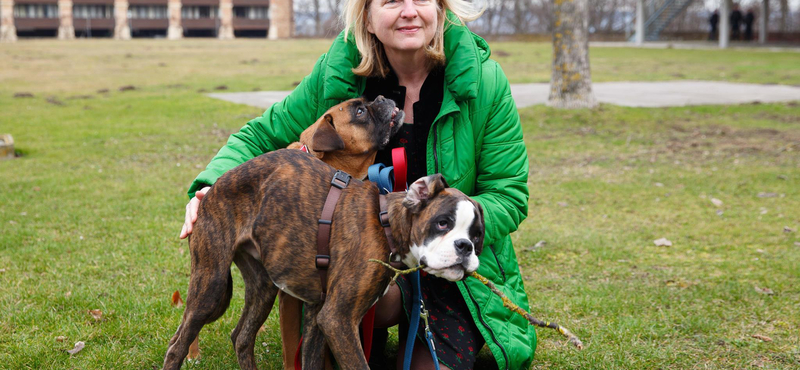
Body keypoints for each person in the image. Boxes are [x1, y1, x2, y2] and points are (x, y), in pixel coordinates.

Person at [179, 0, 537, 368]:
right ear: (367, 16)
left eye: (421, 0)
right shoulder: (339, 73)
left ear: (441, 9)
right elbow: (259, 135)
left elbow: (508, 194)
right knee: (355, 301)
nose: (409, 11)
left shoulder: (484, 80)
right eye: (391, 1)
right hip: (359, 254)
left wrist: (445, 226)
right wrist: (210, 186)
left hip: (451, 265)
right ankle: (359, 330)